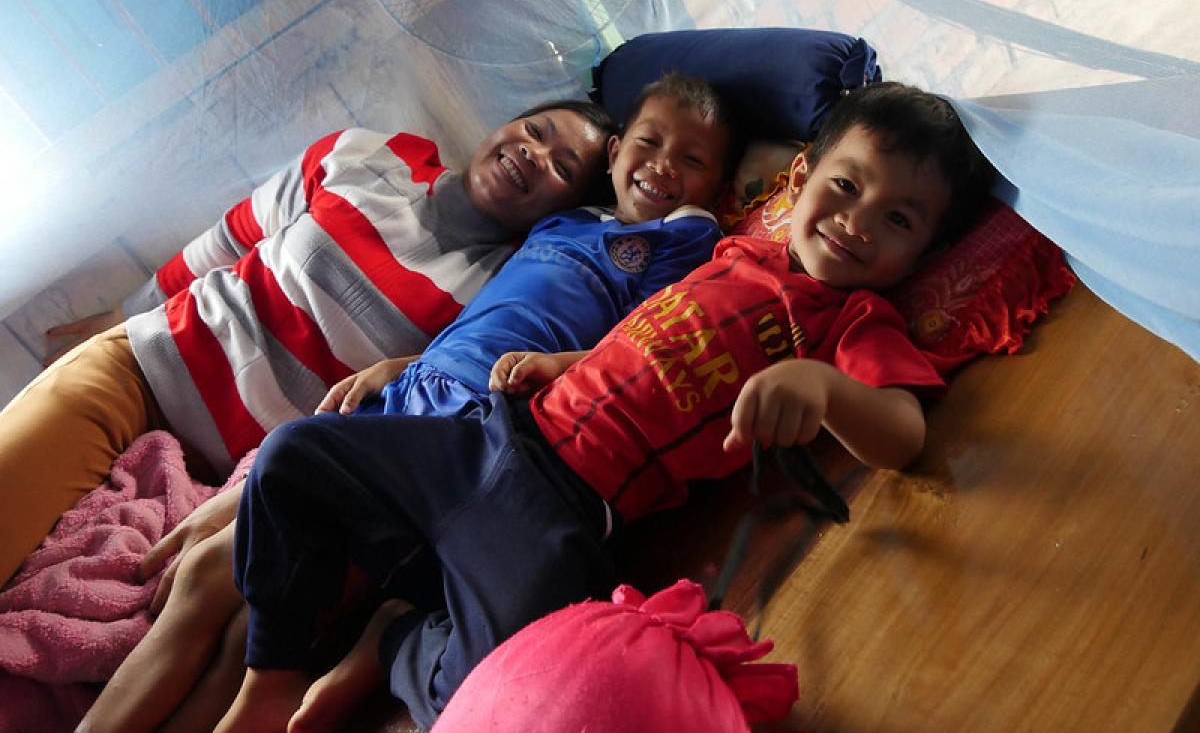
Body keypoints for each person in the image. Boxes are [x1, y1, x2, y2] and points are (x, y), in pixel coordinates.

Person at [212, 81, 997, 732]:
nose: (857, 223)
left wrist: (826, 388)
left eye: (898, 219)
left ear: (924, 250)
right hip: (489, 434)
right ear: (801, 179)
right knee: (292, 457)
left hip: (563, 513)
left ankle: (404, 645)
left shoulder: (856, 323)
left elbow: (904, 433)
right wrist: (567, 361)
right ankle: (272, 675)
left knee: (514, 690)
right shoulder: (739, 251)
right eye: (846, 187)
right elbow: (645, 338)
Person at [77, 72, 741, 733]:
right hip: (408, 395)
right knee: (202, 577)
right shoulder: (561, 224)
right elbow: (486, 318)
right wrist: (407, 363)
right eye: (649, 144)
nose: (662, 167)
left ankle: (320, 664)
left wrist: (735, 194)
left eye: (692, 161)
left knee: (249, 621)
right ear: (622, 148)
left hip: (474, 426)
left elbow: (648, 343)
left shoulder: (680, 244)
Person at [0, 98, 617, 587]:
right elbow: (233, 235)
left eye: (564, 167)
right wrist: (122, 312)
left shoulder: (505, 291)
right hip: (146, 368)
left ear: (567, 209)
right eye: (535, 130)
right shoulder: (371, 156)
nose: (534, 154)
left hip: (234, 482)